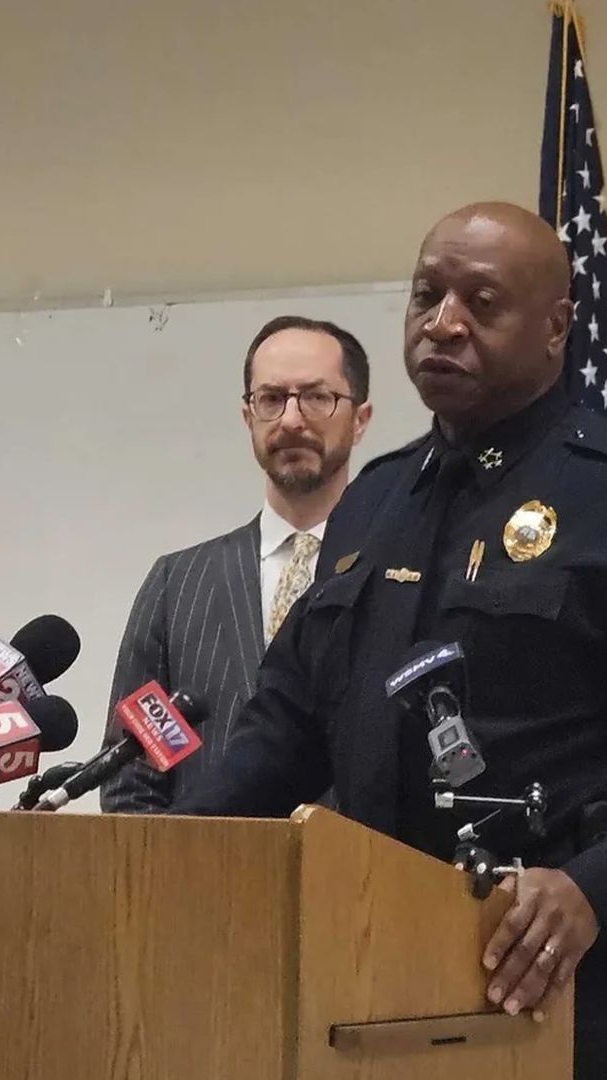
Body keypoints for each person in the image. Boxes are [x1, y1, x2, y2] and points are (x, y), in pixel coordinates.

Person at [179, 202, 607, 1078]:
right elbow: (284, 721)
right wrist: (169, 855)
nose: (444, 323)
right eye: (427, 296)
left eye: (481, 302)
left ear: (555, 328)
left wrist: (605, 885)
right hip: (372, 994)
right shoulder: (375, 501)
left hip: (568, 1001)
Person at [99, 315, 373, 813]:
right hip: (203, 881)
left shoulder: (393, 574)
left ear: (360, 419)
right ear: (249, 418)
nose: (292, 419)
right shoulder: (177, 585)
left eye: (316, 396)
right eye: (272, 399)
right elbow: (130, 779)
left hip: (359, 881)